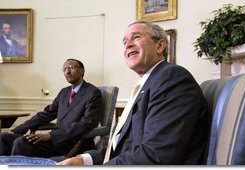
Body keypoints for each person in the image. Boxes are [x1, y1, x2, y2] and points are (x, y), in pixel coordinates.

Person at [57, 21, 210, 165]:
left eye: (136, 37)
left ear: (160, 45)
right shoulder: (149, 83)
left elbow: (155, 155)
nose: (128, 45)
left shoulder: (171, 79)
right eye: (125, 42)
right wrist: (84, 160)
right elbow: (122, 146)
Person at [0, 58, 102, 158]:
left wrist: (51, 135)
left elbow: (87, 123)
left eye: (71, 67)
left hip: (71, 142)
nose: (67, 72)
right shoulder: (64, 92)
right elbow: (47, 114)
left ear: (82, 71)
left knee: (21, 142)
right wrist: (18, 129)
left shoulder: (92, 92)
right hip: (56, 139)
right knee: (4, 138)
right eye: (64, 69)